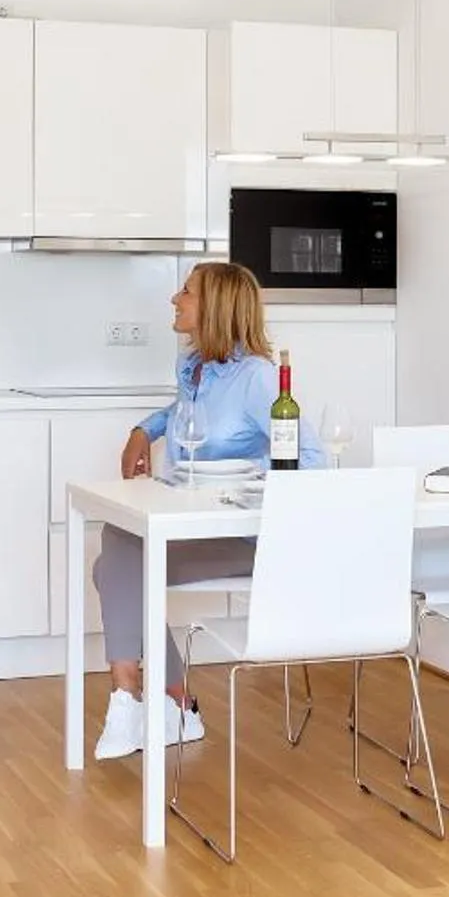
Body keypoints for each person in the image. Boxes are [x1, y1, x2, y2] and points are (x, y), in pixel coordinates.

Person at [91, 261, 323, 760]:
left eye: (186, 292)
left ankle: (137, 699)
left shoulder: (259, 379)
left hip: (251, 540)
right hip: (197, 525)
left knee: (119, 564)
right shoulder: (193, 367)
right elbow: (187, 415)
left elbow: (313, 459)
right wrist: (144, 430)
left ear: (213, 306)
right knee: (120, 553)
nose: (175, 299)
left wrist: (253, 481)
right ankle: (165, 704)